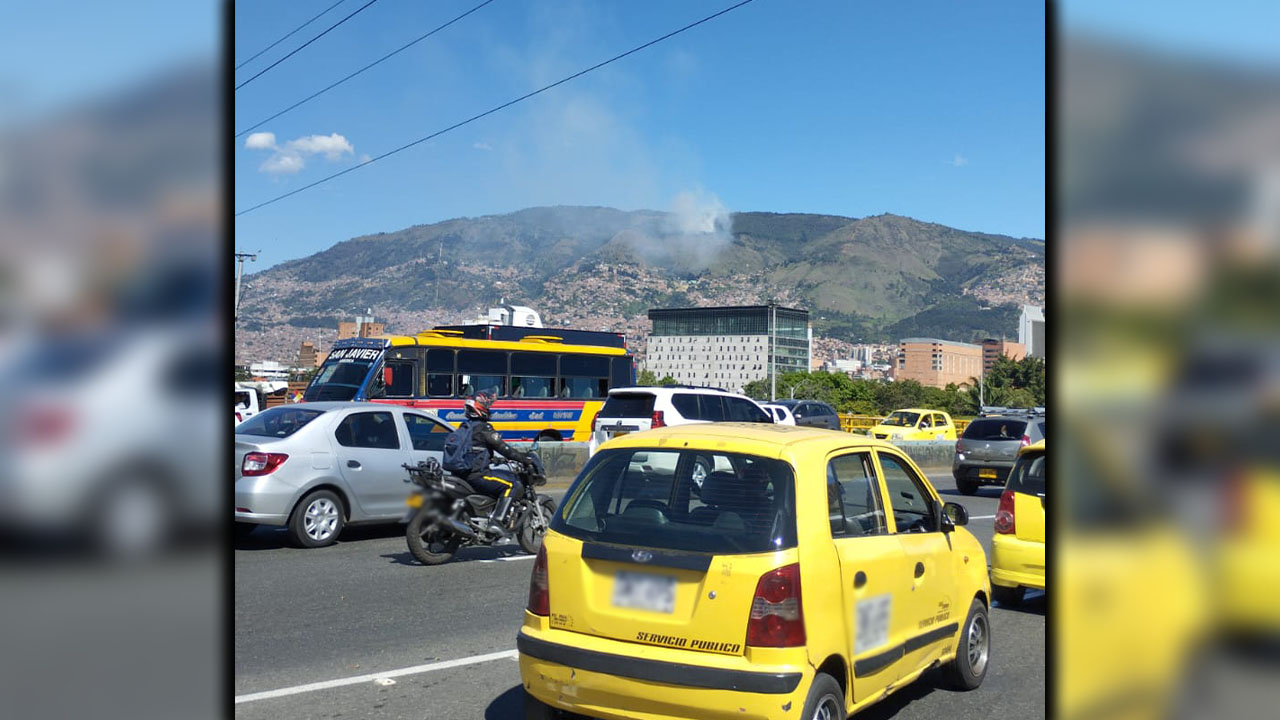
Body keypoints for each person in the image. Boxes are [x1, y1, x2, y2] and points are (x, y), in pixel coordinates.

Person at [459, 392, 537, 542]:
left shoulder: (465, 427)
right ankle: (497, 521)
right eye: (486, 406)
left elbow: (474, 452)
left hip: (462, 473)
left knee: (499, 478)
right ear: (479, 409)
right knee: (512, 484)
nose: (488, 408)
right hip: (477, 475)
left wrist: (493, 459)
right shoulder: (484, 429)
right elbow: (504, 448)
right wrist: (524, 459)